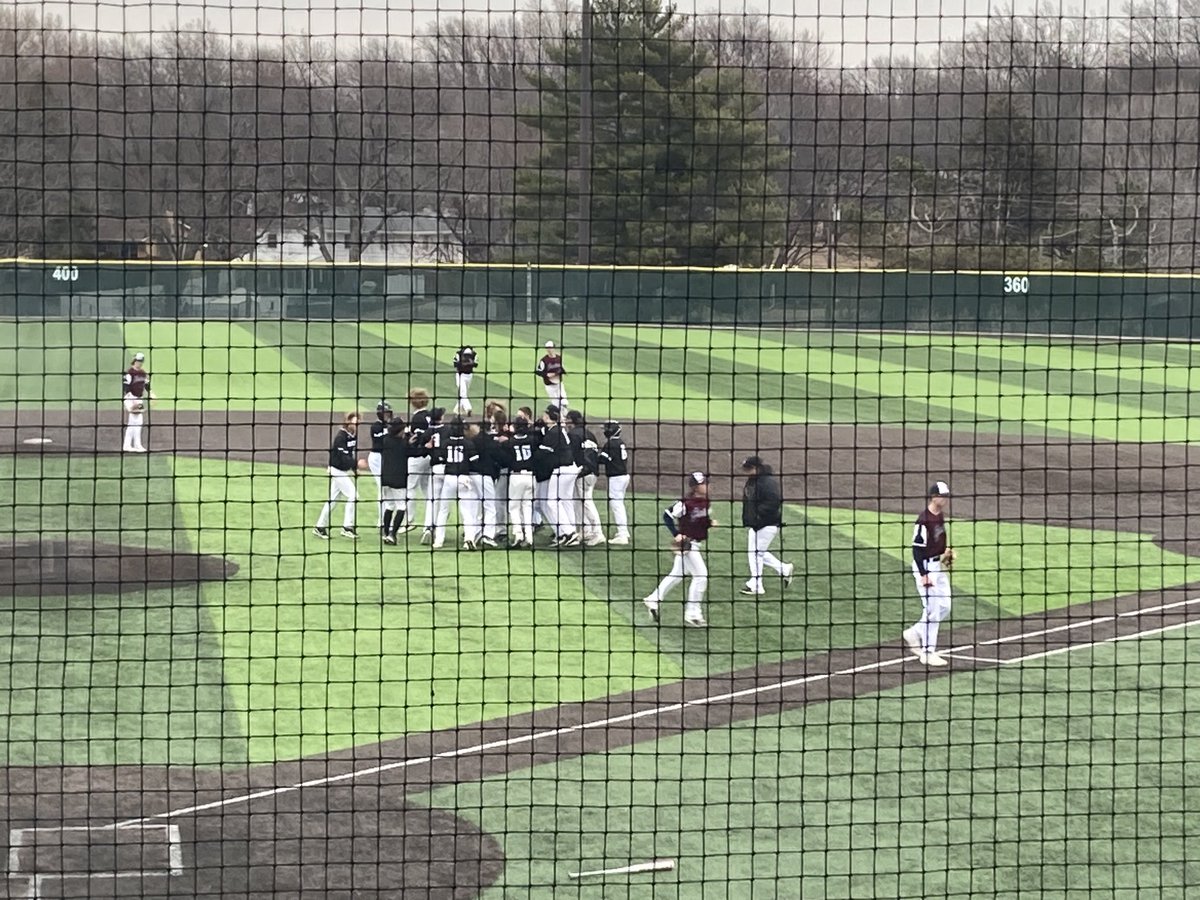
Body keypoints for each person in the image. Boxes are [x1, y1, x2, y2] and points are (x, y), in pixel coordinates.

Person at [643, 472, 714, 627]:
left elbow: (700, 521)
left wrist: (710, 523)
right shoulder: (686, 503)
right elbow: (667, 515)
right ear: (695, 487)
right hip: (688, 546)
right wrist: (676, 534)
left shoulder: (706, 502)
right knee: (701, 576)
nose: (707, 486)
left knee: (677, 574)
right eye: (703, 484)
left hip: (696, 543)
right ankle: (693, 613)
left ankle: (653, 599)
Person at [903, 481, 955, 667]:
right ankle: (927, 652)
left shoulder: (939, 516)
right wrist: (924, 574)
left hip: (936, 567)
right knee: (932, 610)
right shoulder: (924, 520)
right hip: (925, 568)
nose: (945, 499)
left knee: (945, 607)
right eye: (943, 495)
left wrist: (946, 553)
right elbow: (916, 550)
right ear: (934, 496)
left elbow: (937, 543)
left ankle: (914, 633)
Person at [740, 456, 795, 595]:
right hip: (756, 523)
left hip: (767, 523)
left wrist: (758, 514)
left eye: (749, 468)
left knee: (756, 553)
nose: (746, 472)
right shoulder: (753, 480)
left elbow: (774, 501)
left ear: (756, 468)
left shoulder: (767, 482)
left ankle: (757, 585)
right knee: (756, 552)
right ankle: (783, 569)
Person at [433, 417, 481, 550]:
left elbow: (441, 459)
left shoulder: (445, 443)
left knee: (443, 510)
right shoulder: (468, 443)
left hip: (449, 478)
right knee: (467, 512)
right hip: (464, 478)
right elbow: (475, 461)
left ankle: (438, 540)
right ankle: (469, 539)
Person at [313, 412, 363, 540]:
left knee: (333, 500)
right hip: (336, 470)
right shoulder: (340, 437)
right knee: (353, 495)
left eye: (358, 422)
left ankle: (319, 527)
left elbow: (350, 454)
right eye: (354, 422)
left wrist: (354, 469)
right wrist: (356, 463)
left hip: (342, 470)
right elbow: (343, 456)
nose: (356, 424)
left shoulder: (353, 435)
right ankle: (347, 527)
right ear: (348, 421)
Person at [540, 405, 579, 546]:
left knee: (552, 502)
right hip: (571, 468)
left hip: (562, 470)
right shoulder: (559, 430)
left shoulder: (553, 433)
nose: (543, 416)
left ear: (549, 416)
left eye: (545, 414)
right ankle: (568, 533)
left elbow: (542, 453)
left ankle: (569, 532)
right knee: (565, 500)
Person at [566, 410, 605, 546]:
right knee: (578, 502)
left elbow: (572, 455)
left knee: (586, 503)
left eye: (567, 419)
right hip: (592, 472)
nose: (565, 422)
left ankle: (598, 533)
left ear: (571, 420)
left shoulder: (573, 434)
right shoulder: (590, 434)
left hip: (583, 473)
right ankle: (585, 531)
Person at [505, 415, 538, 547]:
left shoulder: (510, 442)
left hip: (517, 476)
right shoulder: (533, 440)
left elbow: (506, 459)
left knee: (514, 507)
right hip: (530, 476)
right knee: (527, 507)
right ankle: (529, 538)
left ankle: (518, 535)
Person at [468, 421, 501, 548]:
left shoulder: (473, 440)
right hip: (485, 476)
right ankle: (487, 535)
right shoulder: (491, 442)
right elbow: (499, 457)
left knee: (475, 507)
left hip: (472, 475)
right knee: (490, 506)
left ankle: (474, 534)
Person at [405, 388, 434, 531]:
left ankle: (409, 521)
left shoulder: (417, 418)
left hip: (417, 456)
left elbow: (416, 438)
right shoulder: (430, 415)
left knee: (410, 487)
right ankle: (432, 520)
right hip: (430, 455)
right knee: (427, 488)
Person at [379, 417, 410, 544]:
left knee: (389, 506)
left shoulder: (385, 440)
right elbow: (414, 452)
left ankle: (386, 533)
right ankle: (393, 534)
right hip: (398, 480)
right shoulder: (403, 444)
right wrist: (426, 446)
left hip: (385, 479)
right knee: (401, 507)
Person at [599, 420, 631, 544]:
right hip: (623, 476)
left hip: (616, 478)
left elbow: (603, 460)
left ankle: (622, 534)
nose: (604, 431)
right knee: (619, 504)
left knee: (616, 505)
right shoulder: (620, 442)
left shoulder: (611, 444)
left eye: (605, 428)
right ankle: (624, 532)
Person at [419, 407, 447, 544]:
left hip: (435, 469)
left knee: (432, 501)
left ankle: (428, 528)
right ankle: (439, 532)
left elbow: (421, 450)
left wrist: (427, 446)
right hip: (449, 470)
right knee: (445, 504)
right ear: (441, 417)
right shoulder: (448, 430)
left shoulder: (428, 432)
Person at [122, 352, 157, 452]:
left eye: (141, 361)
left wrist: (151, 394)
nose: (140, 363)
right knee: (136, 420)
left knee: (134, 422)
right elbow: (126, 388)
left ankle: (128, 445)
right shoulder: (129, 373)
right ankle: (136, 445)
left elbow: (147, 385)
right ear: (134, 360)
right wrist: (132, 401)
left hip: (139, 398)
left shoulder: (143, 373)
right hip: (130, 398)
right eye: (138, 361)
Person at [367, 401, 393, 531]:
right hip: (376, 458)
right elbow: (380, 442)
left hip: (385, 458)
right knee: (382, 488)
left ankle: (385, 519)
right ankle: (382, 521)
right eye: (384, 413)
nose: (386, 415)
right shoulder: (375, 427)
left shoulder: (390, 425)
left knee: (386, 487)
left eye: (388, 412)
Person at [535, 341, 568, 411]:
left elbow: (562, 369)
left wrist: (557, 373)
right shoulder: (544, 360)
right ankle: (558, 417)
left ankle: (564, 416)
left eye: (550, 347)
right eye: (547, 348)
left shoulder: (559, 358)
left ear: (553, 348)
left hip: (559, 383)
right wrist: (546, 375)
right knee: (555, 404)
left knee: (564, 401)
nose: (548, 349)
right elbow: (538, 371)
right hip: (549, 385)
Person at [453, 346, 479, 415]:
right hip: (460, 375)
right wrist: (467, 363)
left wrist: (468, 363)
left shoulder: (474, 354)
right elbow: (455, 364)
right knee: (463, 392)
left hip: (469, 376)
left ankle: (457, 409)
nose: (467, 357)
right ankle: (468, 408)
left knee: (463, 393)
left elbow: (476, 364)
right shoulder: (458, 354)